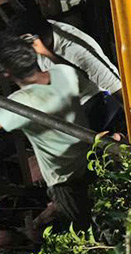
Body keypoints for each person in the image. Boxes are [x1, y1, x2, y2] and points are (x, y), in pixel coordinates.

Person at [0, 34, 97, 228]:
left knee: (83, 232)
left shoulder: (21, 102)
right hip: (93, 163)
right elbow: (79, 74)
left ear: (7, 73)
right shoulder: (63, 73)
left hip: (65, 180)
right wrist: (46, 52)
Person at [9, 10, 123, 131]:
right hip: (69, 97)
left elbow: (116, 88)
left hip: (97, 100)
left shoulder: (78, 52)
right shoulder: (38, 30)